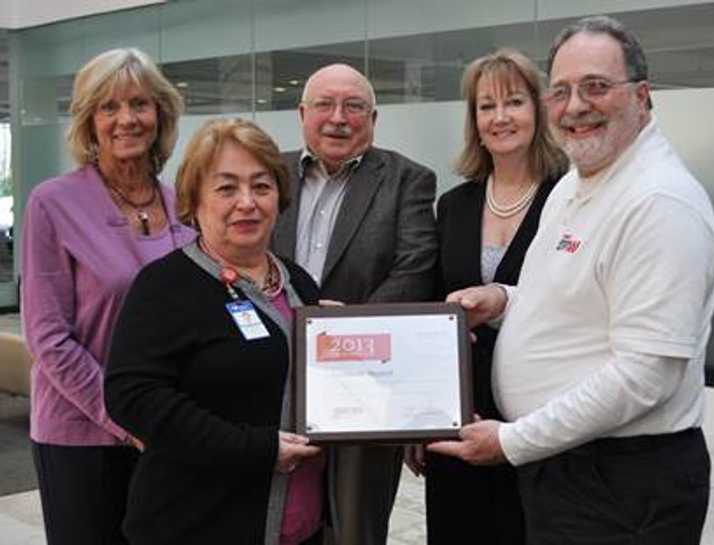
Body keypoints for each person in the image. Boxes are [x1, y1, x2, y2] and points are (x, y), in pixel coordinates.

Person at [429, 15, 714, 545]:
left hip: (621, 482)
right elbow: (568, 301)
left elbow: (644, 374)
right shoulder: (578, 184)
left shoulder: (658, 203)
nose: (576, 106)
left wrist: (513, 441)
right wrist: (502, 299)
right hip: (568, 467)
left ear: (643, 96)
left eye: (596, 87)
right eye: (561, 90)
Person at [105, 118, 325, 545]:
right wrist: (257, 450)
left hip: (300, 526)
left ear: (279, 197)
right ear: (194, 200)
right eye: (226, 188)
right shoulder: (164, 286)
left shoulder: (301, 283)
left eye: (261, 187)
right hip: (196, 523)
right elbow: (131, 397)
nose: (247, 202)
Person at [21, 48, 194, 545]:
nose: (126, 119)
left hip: (167, 431)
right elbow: (48, 337)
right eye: (108, 107)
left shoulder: (182, 202)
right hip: (83, 435)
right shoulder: (52, 203)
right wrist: (127, 416)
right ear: (89, 121)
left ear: (159, 113)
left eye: (139, 104)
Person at [272, 63, 438, 545]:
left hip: (366, 383)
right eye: (324, 104)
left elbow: (416, 269)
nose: (338, 118)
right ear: (302, 113)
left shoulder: (409, 179)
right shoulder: (268, 174)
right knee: (277, 518)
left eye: (354, 106)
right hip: (274, 379)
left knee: (355, 528)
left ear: (374, 117)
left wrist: (346, 330)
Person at [408, 49, 567, 545]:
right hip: (461, 417)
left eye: (514, 102)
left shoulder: (569, 198)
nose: (500, 117)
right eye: (485, 106)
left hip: (544, 422)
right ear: (473, 120)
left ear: (538, 111)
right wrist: (421, 416)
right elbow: (436, 314)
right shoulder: (454, 205)